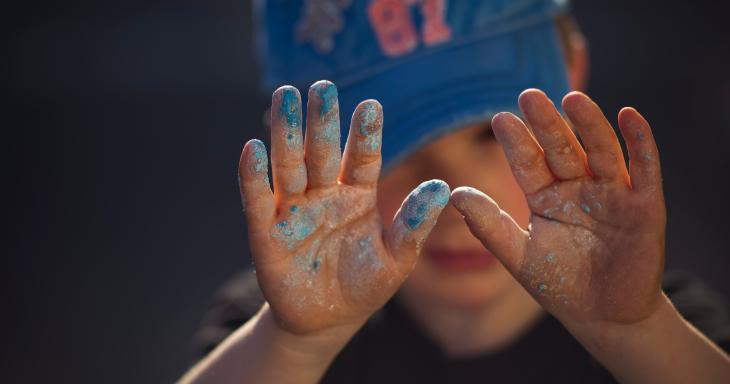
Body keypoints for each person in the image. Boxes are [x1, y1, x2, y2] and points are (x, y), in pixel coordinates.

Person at [180, 0, 730, 382]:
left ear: (574, 71)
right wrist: (296, 344)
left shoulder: (666, 334)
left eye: (493, 136)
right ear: (303, 146)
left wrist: (635, 335)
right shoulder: (274, 335)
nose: (453, 199)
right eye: (389, 143)